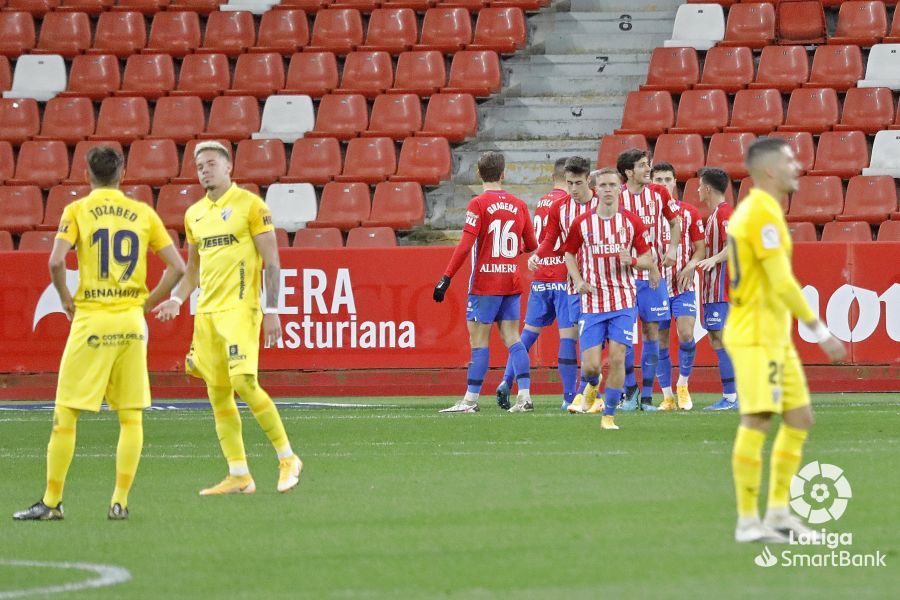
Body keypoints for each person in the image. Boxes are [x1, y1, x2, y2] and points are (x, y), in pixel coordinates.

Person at [13, 146, 186, 521]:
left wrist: (64, 297)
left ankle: (52, 502)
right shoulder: (143, 213)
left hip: (92, 320)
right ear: (122, 172)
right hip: (130, 324)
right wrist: (146, 302)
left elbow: (56, 260)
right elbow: (177, 267)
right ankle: (119, 501)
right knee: (130, 417)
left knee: (66, 414)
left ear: (86, 174)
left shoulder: (77, 211)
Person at [153, 141, 303, 495]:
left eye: (210, 164)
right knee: (218, 394)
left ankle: (287, 458)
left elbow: (272, 262)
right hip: (206, 314)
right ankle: (239, 474)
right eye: (199, 167)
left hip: (241, 309)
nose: (204, 170)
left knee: (244, 383)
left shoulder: (251, 206)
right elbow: (193, 270)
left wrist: (272, 310)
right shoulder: (194, 215)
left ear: (228, 167)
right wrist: (176, 299)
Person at [726, 138, 847, 543]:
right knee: (758, 419)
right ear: (770, 171)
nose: (798, 167)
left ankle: (778, 515)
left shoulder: (764, 211)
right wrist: (820, 331)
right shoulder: (761, 213)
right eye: (790, 160)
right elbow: (781, 281)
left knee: (799, 418)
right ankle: (747, 521)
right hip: (756, 334)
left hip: (774, 336)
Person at [433, 151, 537, 413]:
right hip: (510, 281)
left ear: (479, 174)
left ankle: (470, 400)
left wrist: (446, 278)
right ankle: (524, 397)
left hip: (485, 284)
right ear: (503, 174)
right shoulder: (519, 204)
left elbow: (466, 245)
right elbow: (533, 245)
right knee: (513, 339)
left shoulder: (478, 204)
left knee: (479, 342)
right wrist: (514, 254)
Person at [562, 168, 655, 430]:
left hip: (623, 302)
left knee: (617, 359)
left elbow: (649, 260)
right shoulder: (582, 223)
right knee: (590, 367)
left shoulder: (632, 222)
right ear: (596, 188)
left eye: (612, 185)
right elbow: (569, 253)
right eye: (602, 185)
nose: (607, 190)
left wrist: (634, 261)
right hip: (592, 303)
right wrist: (578, 280)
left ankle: (609, 415)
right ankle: (593, 385)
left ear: (619, 187)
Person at [496, 158, 579, 411]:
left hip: (541, 275)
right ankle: (568, 397)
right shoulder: (568, 204)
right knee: (568, 337)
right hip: (564, 276)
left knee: (527, 334)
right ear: (568, 177)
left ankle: (506, 380)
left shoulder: (542, 202)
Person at [530, 156, 602, 414]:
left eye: (578, 183)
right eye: (569, 183)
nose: (572, 189)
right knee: (582, 339)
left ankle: (623, 391)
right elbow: (551, 237)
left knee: (611, 343)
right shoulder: (560, 207)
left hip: (606, 284)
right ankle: (581, 393)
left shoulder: (604, 202)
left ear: (589, 179)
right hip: (574, 284)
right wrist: (538, 253)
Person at [616, 150, 682, 411]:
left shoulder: (659, 193)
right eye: (642, 166)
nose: (648, 169)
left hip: (652, 276)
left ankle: (646, 396)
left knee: (651, 332)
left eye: (648, 165)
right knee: (622, 335)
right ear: (629, 172)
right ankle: (629, 391)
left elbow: (674, 223)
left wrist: (673, 248)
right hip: (622, 278)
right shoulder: (615, 196)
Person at [650, 162, 706, 411]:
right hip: (655, 287)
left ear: (675, 183)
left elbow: (700, 248)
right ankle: (667, 395)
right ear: (652, 183)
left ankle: (682, 385)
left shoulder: (689, 212)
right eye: (658, 180)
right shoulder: (646, 213)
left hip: (682, 284)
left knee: (686, 334)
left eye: (667, 180)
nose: (663, 184)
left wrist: (691, 266)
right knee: (661, 340)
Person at [696, 168, 739, 412]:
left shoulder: (725, 213)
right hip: (713, 287)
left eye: (700, 186)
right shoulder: (714, 214)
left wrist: (714, 260)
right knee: (717, 338)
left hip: (721, 287)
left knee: (723, 339)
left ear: (708, 188)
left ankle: (732, 397)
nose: (698, 190)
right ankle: (733, 395)